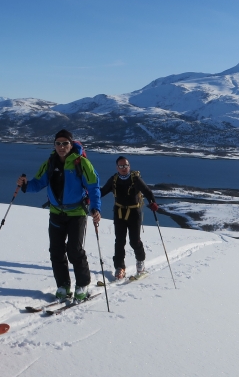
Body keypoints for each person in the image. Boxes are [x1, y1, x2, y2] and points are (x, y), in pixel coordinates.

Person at [16, 129, 102, 302]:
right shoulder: (50, 162)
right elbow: (39, 182)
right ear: (54, 145)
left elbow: (93, 187)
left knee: (74, 250)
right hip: (56, 212)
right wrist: (25, 185)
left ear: (71, 144)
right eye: (58, 143)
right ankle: (63, 285)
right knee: (56, 250)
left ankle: (82, 284)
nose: (61, 147)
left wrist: (95, 208)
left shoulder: (81, 163)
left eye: (65, 143)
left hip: (76, 213)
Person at [101, 155, 158, 280]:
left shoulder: (135, 179)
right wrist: (91, 197)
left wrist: (152, 202)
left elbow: (147, 191)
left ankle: (140, 262)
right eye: (121, 166)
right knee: (119, 241)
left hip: (134, 213)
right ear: (117, 167)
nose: (123, 168)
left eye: (125, 165)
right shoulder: (114, 180)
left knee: (135, 241)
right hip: (119, 212)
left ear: (129, 166)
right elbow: (102, 191)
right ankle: (119, 267)